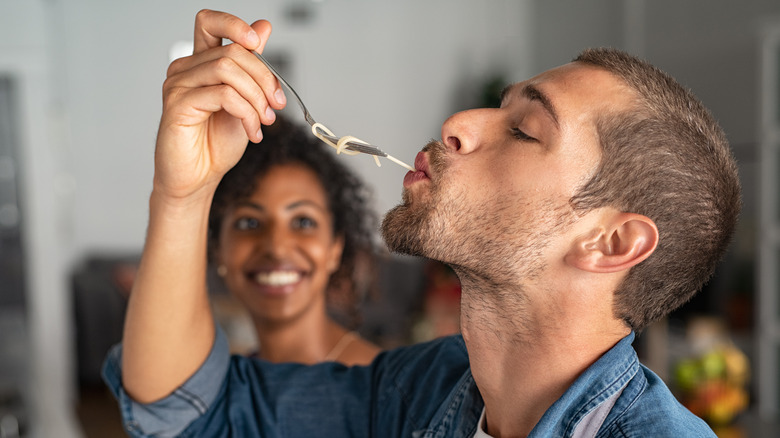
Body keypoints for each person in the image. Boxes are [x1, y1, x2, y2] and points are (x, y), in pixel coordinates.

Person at [103, 9, 740, 437]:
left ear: (610, 242)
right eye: (499, 106)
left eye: (523, 131)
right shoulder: (426, 390)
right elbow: (187, 413)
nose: (459, 122)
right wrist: (185, 192)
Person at [207, 116, 381, 365]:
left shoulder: (381, 388)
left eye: (303, 222)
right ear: (218, 249)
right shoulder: (224, 382)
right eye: (249, 222)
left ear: (335, 248)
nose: (276, 248)